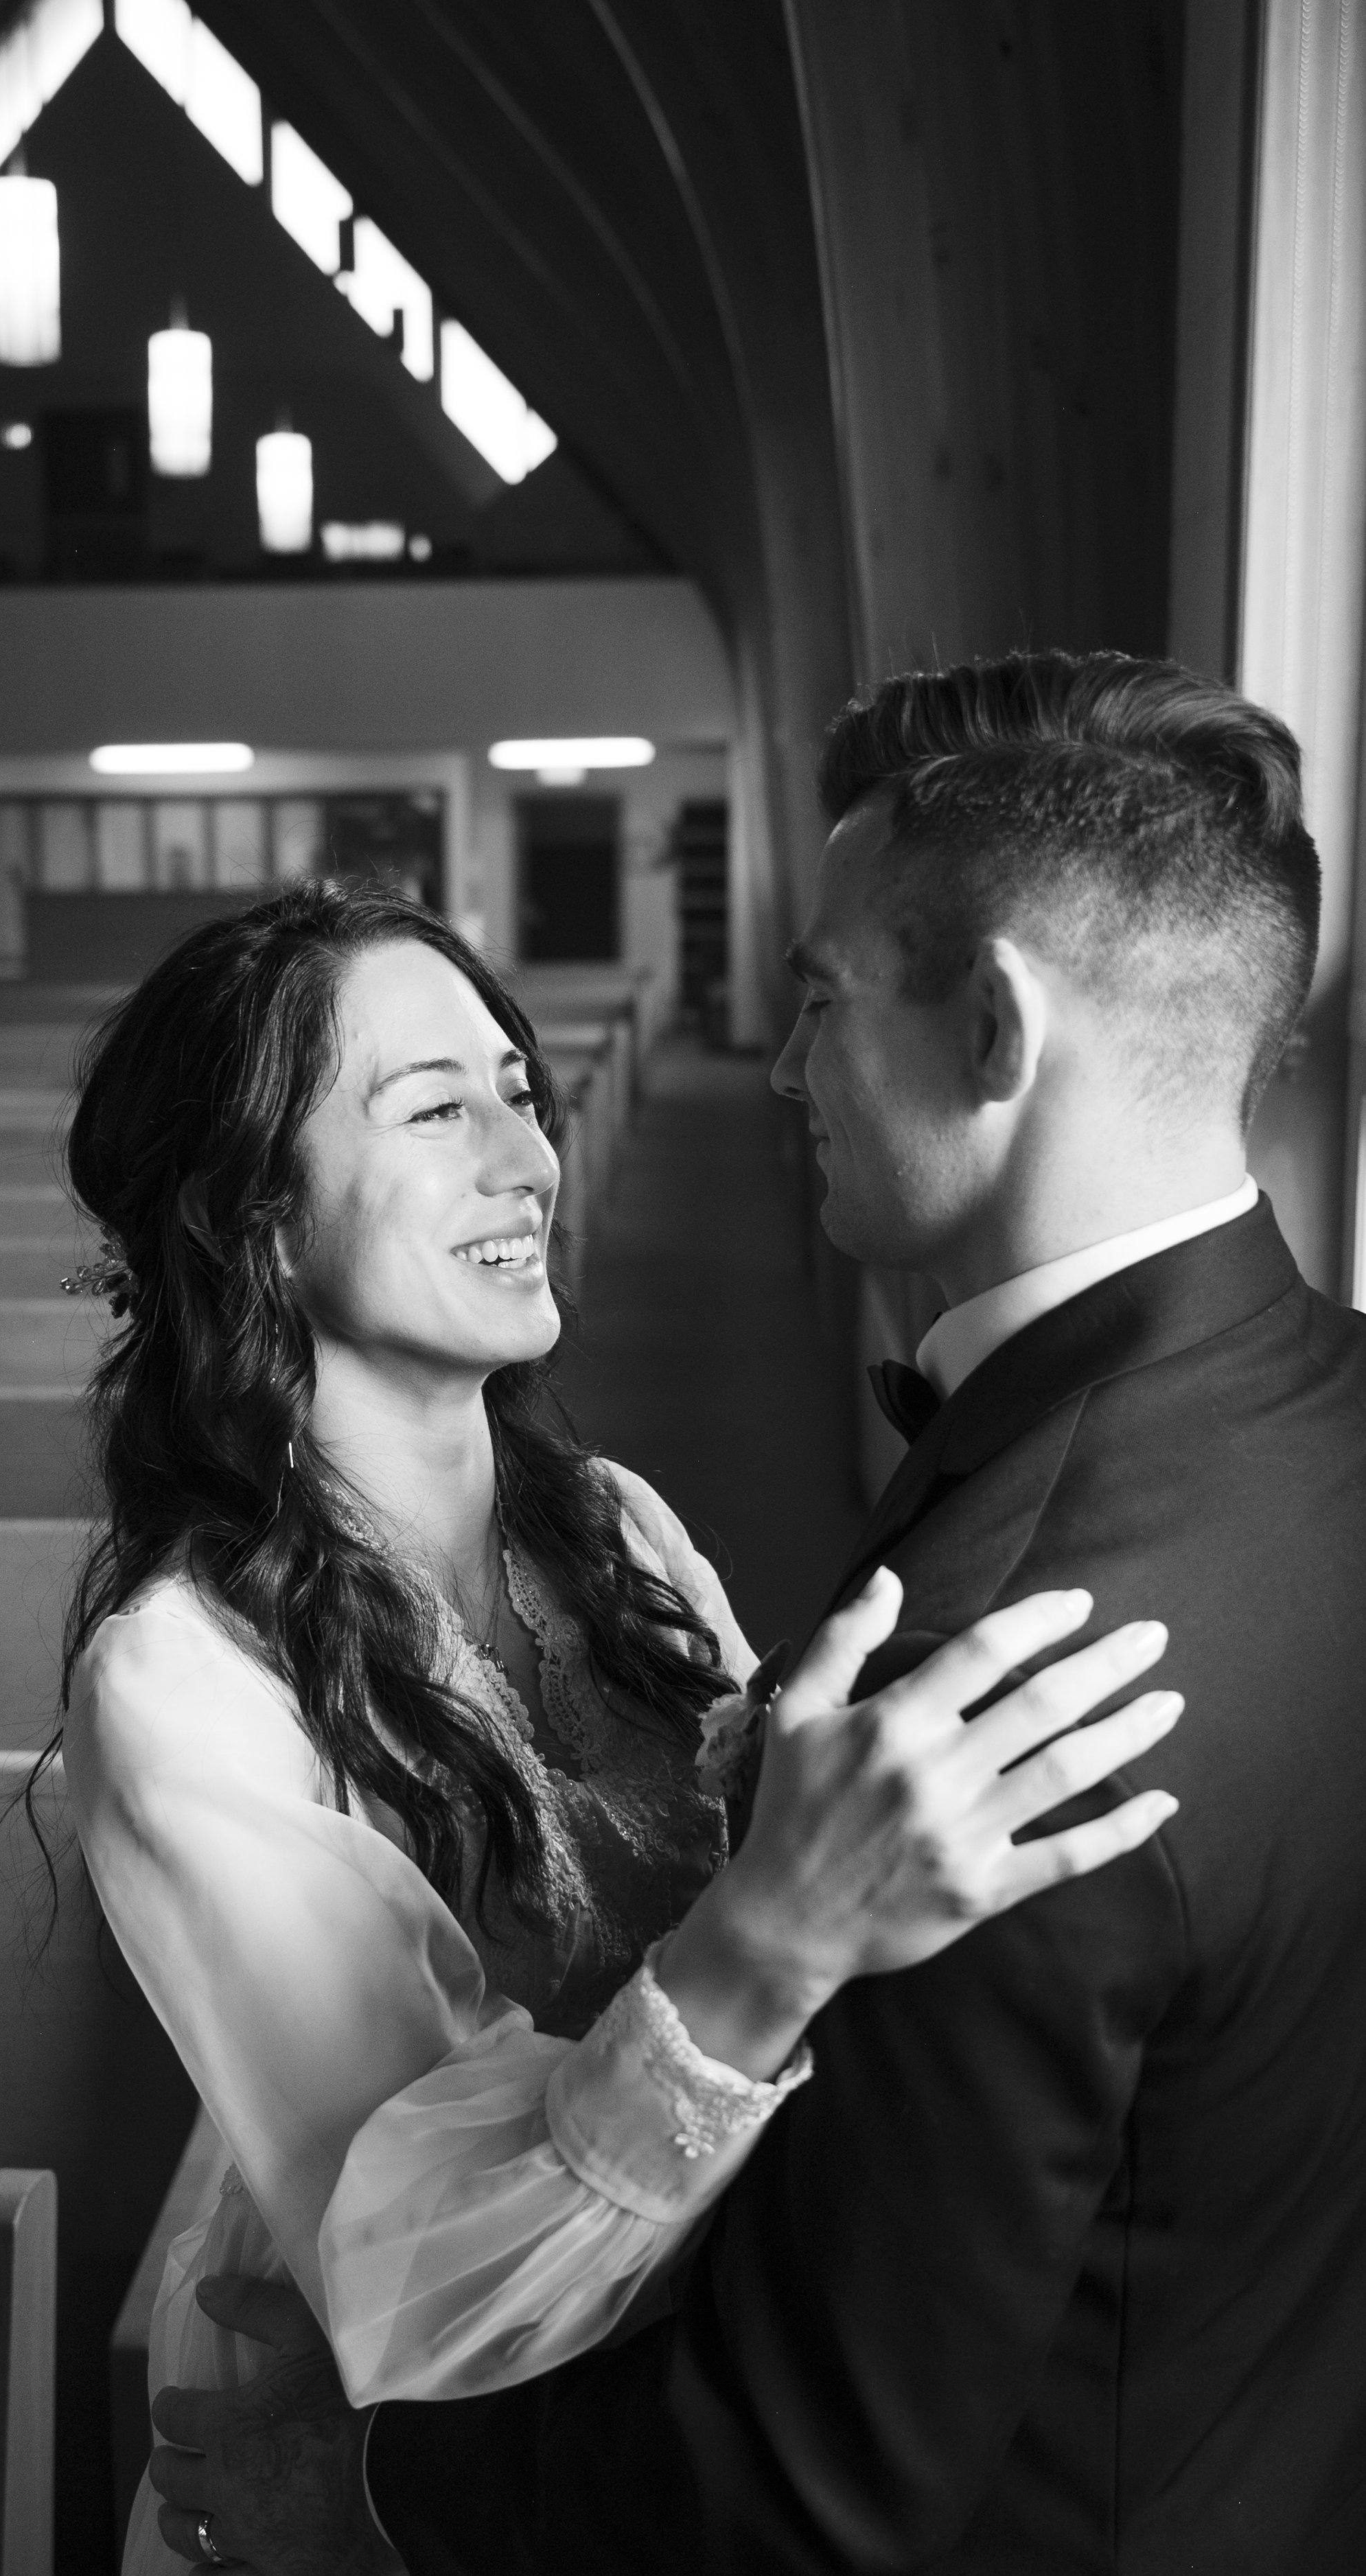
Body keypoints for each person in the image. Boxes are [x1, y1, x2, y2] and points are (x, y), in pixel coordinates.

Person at [157, 653, 1366, 2575]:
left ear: (992, 1028)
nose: (783, 1067)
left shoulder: (986, 1691)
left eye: (817, 1005)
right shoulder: (1323, 1408)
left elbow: (792, 2498)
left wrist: (369, 2494)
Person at [51, 877, 1180, 2576]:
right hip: (414, 2472)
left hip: (659, 2429)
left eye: (518, 1090)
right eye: (435, 1110)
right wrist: (776, 1929)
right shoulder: (181, 1678)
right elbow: (420, 2269)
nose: (525, 1160)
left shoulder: (615, 1525)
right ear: (256, 1220)